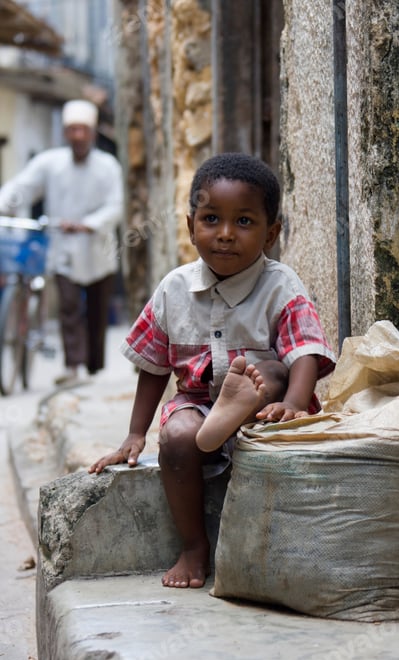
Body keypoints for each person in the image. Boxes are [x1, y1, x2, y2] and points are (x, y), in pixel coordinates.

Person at [89, 152, 336, 589]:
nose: (225, 235)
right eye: (210, 219)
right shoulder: (174, 289)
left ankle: (246, 399)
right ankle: (193, 546)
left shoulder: (281, 285)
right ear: (190, 226)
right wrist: (135, 434)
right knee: (178, 437)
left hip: (268, 410)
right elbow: (154, 366)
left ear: (271, 233)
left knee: (271, 370)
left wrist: (296, 405)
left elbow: (306, 354)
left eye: (244, 222)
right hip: (199, 405)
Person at [0, 99, 123, 384]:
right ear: (65, 133)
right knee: (68, 307)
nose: (78, 135)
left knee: (96, 310)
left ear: (92, 133)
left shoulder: (108, 166)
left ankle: (92, 365)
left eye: (83, 130)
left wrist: (88, 224)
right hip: (63, 250)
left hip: (98, 248)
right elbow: (22, 188)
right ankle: (73, 367)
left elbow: (115, 206)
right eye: (72, 130)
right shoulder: (49, 163)